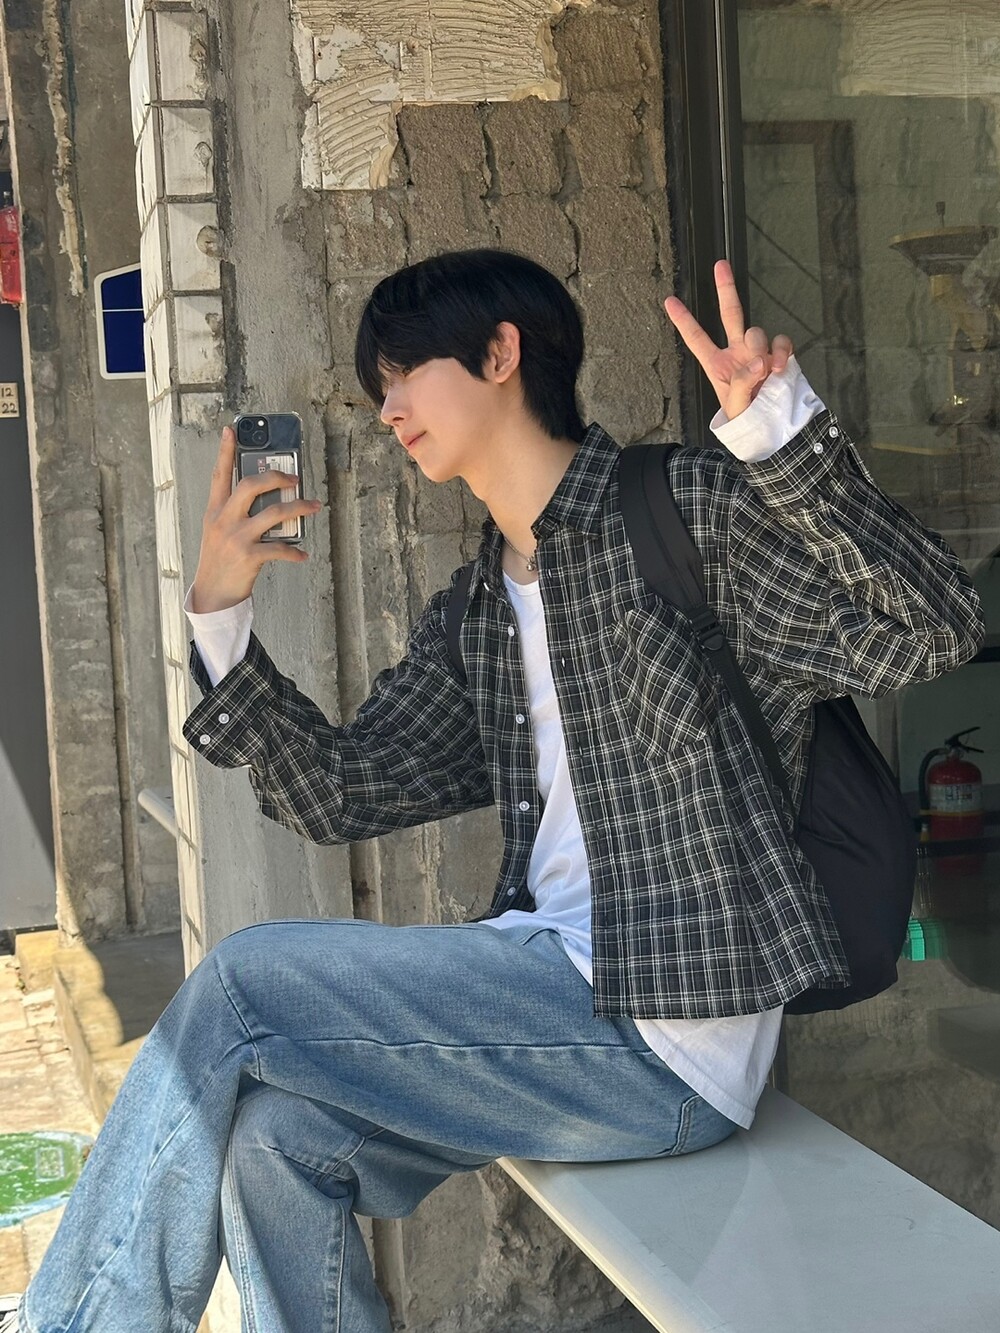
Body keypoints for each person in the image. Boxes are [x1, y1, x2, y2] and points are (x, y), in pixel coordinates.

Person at [3, 250, 983, 1333]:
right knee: (274, 1142)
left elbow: (934, 627)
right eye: (379, 388)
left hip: (665, 1030)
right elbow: (340, 791)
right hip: (549, 1001)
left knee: (243, 983)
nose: (388, 411)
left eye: (405, 373)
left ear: (501, 352)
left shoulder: (680, 513)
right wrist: (220, 619)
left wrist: (781, 435)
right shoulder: (478, 607)